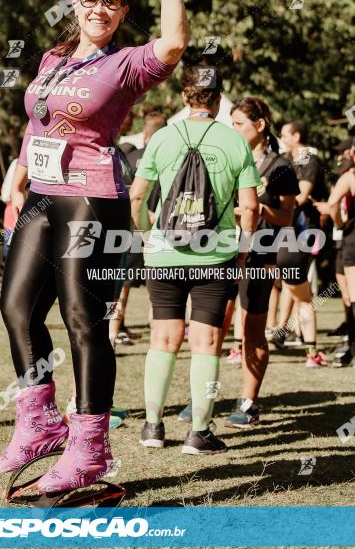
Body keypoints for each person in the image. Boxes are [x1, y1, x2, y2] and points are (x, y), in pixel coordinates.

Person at [0, 0, 187, 492]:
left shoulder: (125, 64)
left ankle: (91, 448)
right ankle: (41, 423)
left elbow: (175, 42)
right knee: (16, 308)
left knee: (83, 320)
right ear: (75, 6)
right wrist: (19, 170)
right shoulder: (53, 61)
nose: (99, 8)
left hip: (92, 199)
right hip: (42, 195)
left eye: (110, 2)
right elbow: (39, 124)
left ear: (121, 13)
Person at [130, 66, 260, 454]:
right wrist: (243, 249)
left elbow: (136, 198)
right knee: (207, 341)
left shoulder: (162, 138)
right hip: (215, 254)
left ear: (185, 97)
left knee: (163, 338)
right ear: (218, 100)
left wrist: (145, 237)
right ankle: (199, 432)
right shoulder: (235, 141)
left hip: (164, 253)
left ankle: (153, 426)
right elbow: (250, 207)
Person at [223, 98, 300, 426]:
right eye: (232, 123)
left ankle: (249, 402)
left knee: (252, 330)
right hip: (225, 251)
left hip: (261, 253)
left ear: (260, 125)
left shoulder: (279, 165)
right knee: (215, 326)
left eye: (239, 122)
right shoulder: (227, 158)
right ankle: (204, 398)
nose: (234, 129)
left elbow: (287, 216)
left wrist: (255, 210)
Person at [273, 121, 329, 365]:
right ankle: (282, 332)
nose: (282, 138)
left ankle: (302, 342)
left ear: (297, 136)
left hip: (306, 229)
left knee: (298, 286)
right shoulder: (285, 158)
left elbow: (303, 195)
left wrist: (277, 199)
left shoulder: (307, 159)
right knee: (290, 281)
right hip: (289, 229)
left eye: (285, 134)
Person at [111, 110, 167, 346]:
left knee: (121, 287)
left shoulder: (128, 157)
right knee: (160, 288)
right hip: (159, 231)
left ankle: (112, 333)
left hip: (129, 228)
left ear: (145, 134)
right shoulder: (168, 158)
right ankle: (158, 336)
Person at [314, 139, 355, 368]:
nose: (340, 156)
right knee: (348, 297)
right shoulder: (344, 177)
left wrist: (340, 224)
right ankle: (350, 343)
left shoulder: (348, 178)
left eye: (344, 152)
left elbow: (331, 206)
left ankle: (352, 347)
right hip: (344, 242)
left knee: (352, 296)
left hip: (349, 240)